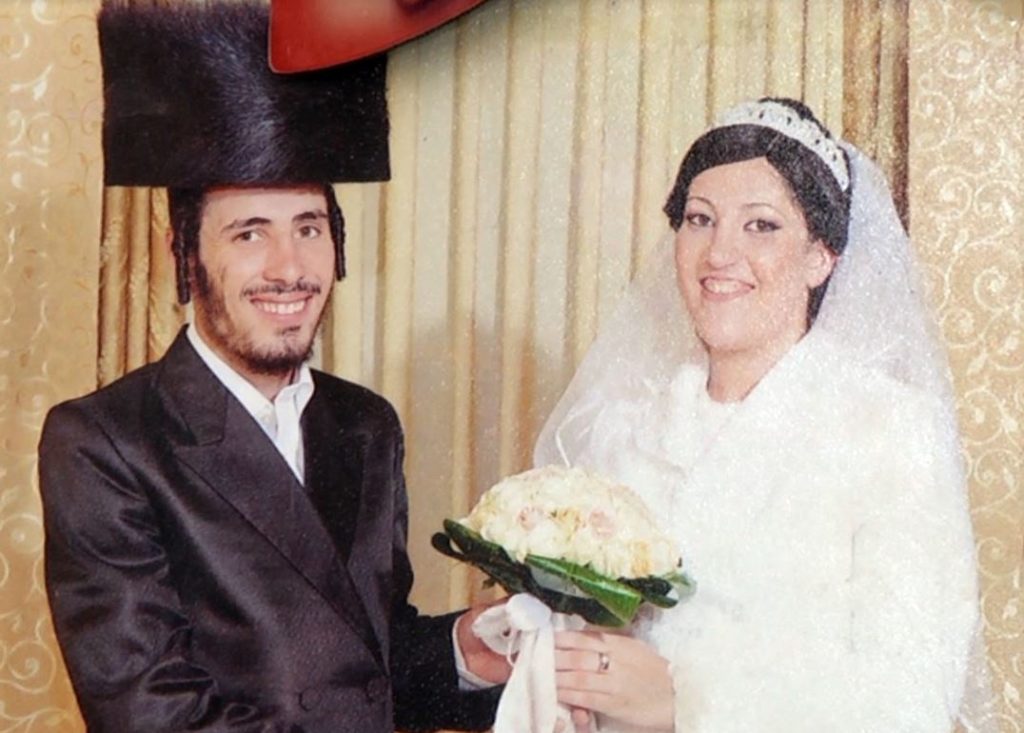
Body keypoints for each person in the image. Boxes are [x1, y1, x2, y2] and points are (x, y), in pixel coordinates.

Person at [38, 4, 506, 732]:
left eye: (309, 227)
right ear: (185, 255)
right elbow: (152, 715)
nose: (289, 268)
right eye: (249, 233)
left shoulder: (365, 423)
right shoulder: (106, 443)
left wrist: (462, 651)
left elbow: (365, 670)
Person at [537, 98, 991, 732]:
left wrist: (686, 702)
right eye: (700, 219)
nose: (719, 253)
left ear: (821, 257)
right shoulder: (623, 427)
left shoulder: (887, 429)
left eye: (761, 225)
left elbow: (912, 697)